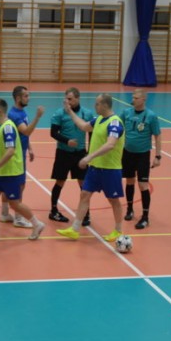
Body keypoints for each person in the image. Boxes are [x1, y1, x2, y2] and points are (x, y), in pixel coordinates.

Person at [0, 98, 45, 243]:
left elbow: (11, 150)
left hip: (10, 173)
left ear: (0, 111)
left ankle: (37, 224)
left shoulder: (8, 127)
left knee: (14, 204)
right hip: (0, 173)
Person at [56, 93, 127, 243]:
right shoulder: (99, 119)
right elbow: (83, 126)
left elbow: (110, 144)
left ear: (105, 105)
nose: (95, 106)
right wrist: (70, 112)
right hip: (95, 168)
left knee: (113, 200)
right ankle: (75, 229)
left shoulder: (115, 123)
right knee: (84, 195)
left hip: (110, 169)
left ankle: (118, 230)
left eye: (97, 104)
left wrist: (89, 157)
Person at [48, 87, 95, 224]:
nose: (67, 102)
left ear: (78, 98)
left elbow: (91, 133)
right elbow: (53, 133)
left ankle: (86, 214)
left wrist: (90, 152)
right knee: (60, 181)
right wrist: (67, 141)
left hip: (80, 153)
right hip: (63, 153)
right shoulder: (59, 113)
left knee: (83, 184)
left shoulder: (87, 113)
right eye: (66, 99)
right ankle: (54, 211)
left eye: (70, 99)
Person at [120, 88, 162, 230]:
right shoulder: (126, 113)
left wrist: (158, 156)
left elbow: (157, 135)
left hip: (143, 155)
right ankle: (129, 209)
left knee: (143, 185)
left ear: (144, 99)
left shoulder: (151, 116)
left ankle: (145, 217)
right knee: (129, 181)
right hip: (127, 153)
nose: (133, 100)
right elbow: (116, 125)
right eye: (133, 97)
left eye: (136, 98)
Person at [4, 86, 45, 228]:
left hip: (20, 151)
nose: (29, 98)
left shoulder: (22, 111)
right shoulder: (15, 115)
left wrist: (30, 148)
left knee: (8, 183)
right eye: (26, 96)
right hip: (16, 155)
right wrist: (38, 117)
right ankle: (18, 218)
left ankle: (4, 214)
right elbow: (26, 131)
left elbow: (23, 135)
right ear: (18, 98)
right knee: (20, 185)